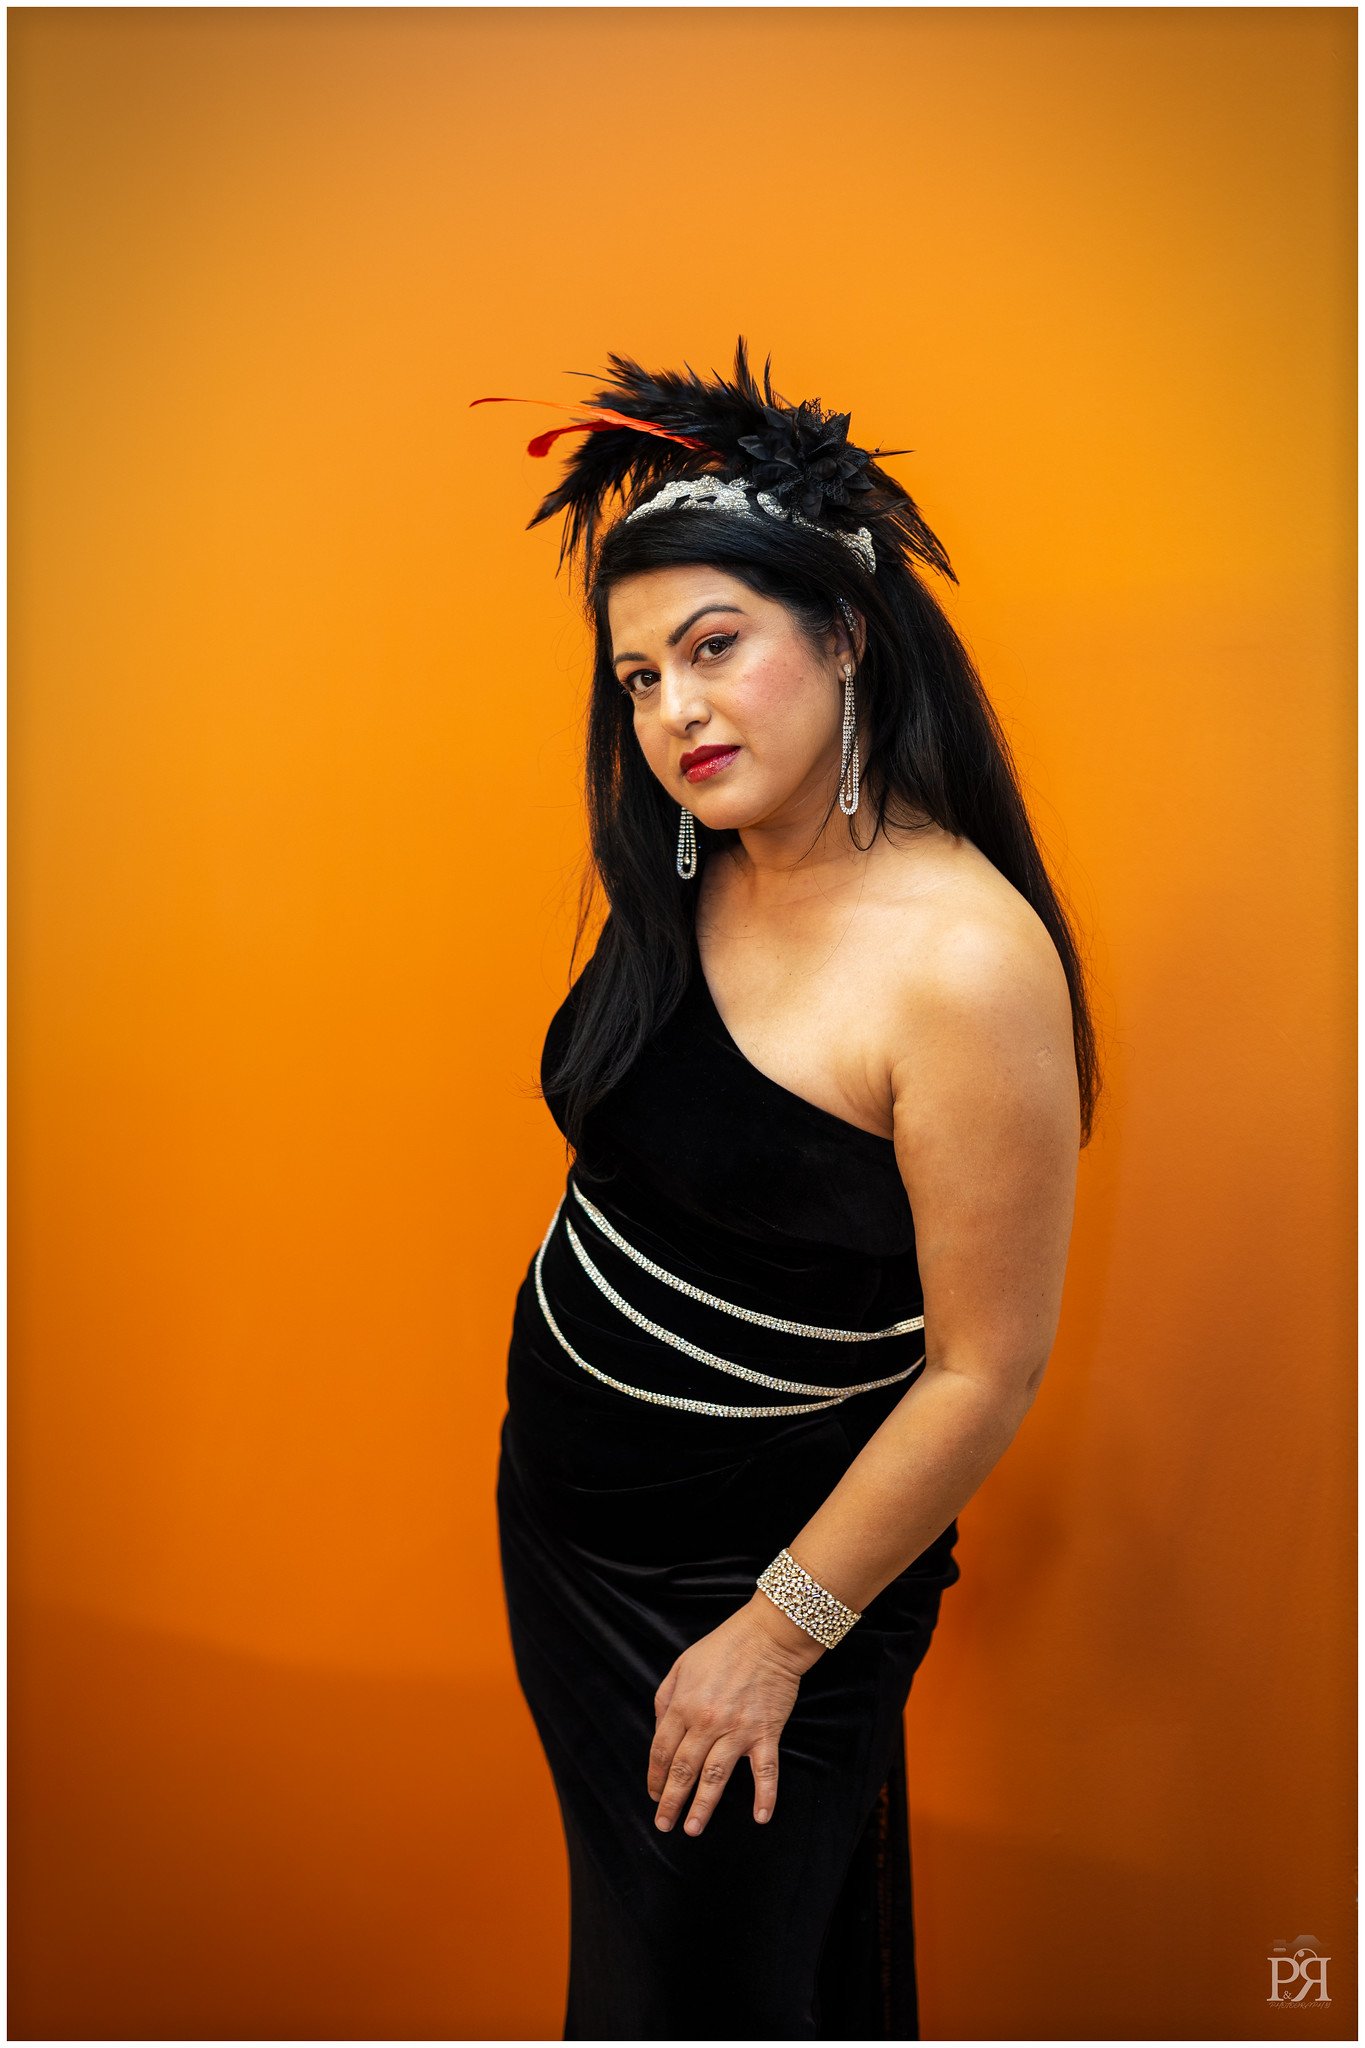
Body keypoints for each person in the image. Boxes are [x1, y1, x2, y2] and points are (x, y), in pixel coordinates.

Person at [476, 338, 1099, 2041]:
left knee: (707, 2000)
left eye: (712, 647)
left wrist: (773, 1637)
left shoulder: (964, 963)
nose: (670, 709)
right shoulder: (691, 863)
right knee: (699, 1980)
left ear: (841, 635)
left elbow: (986, 1370)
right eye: (633, 675)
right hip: (572, 1543)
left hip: (767, 1590)